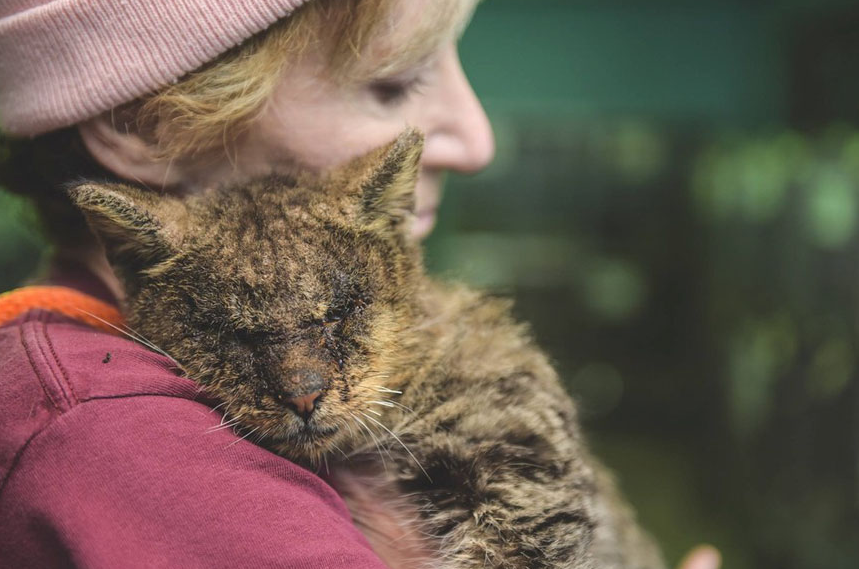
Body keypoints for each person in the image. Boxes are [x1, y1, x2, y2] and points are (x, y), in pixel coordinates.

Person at [0, 1, 720, 567]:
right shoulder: (116, 433)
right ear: (142, 119)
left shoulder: (72, 345)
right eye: (392, 83)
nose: (477, 139)